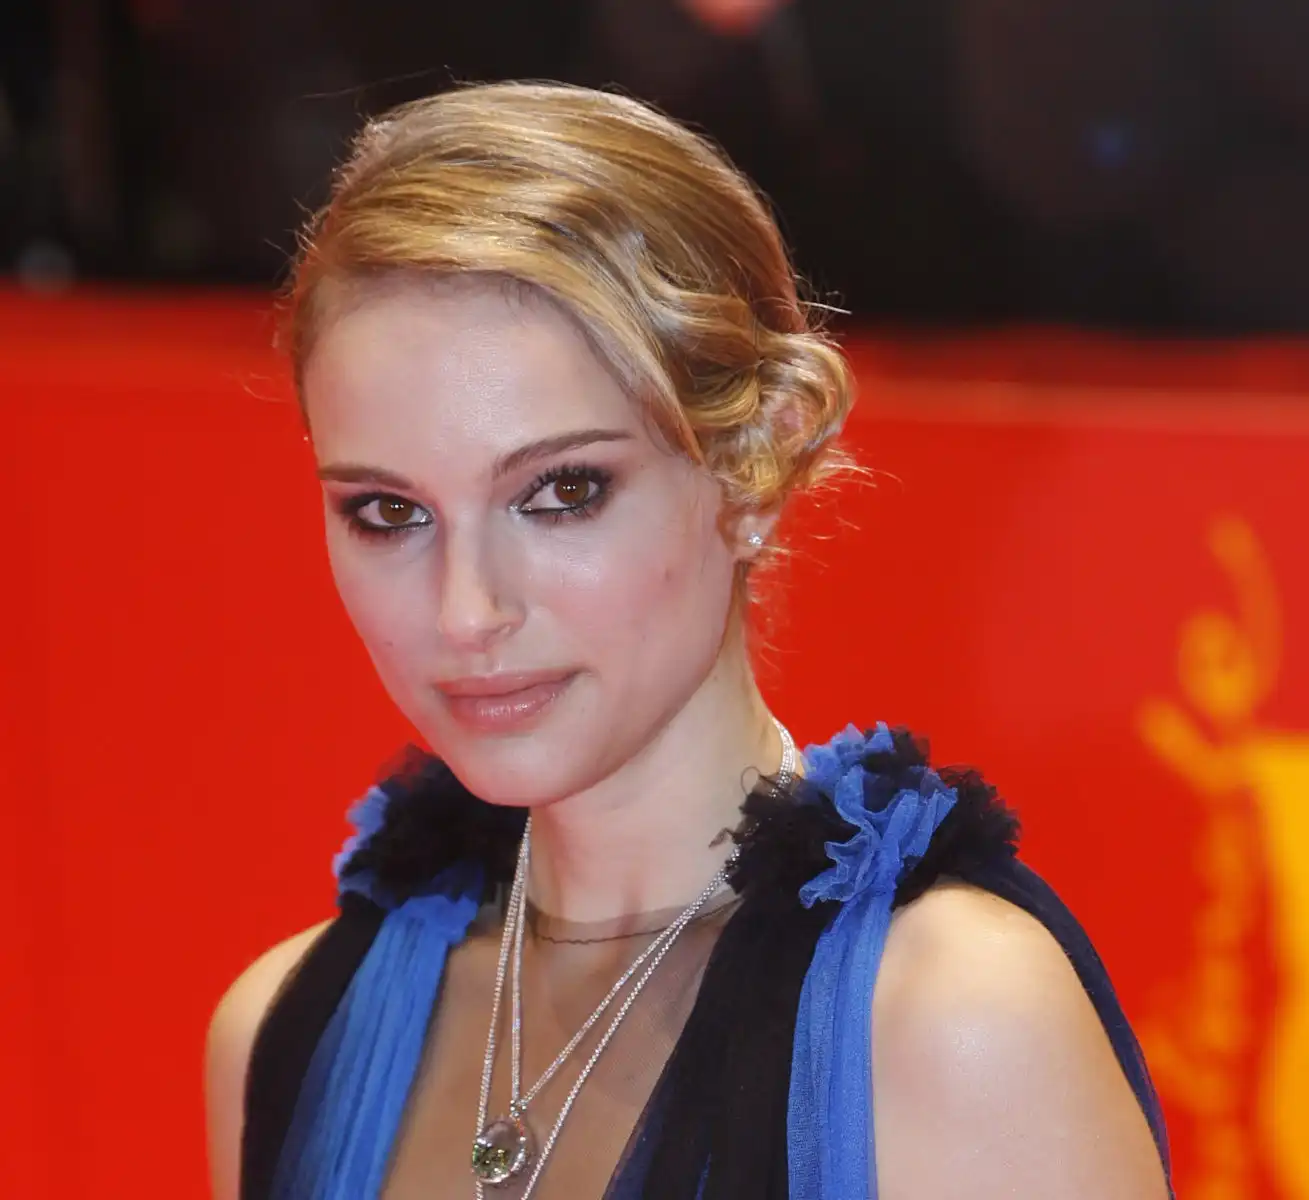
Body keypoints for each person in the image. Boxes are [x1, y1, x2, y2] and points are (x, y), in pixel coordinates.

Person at [203, 81, 1174, 1200]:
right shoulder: (286, 1037)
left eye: (561, 492)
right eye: (388, 512)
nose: (466, 610)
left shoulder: (951, 1023)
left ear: (754, 465)